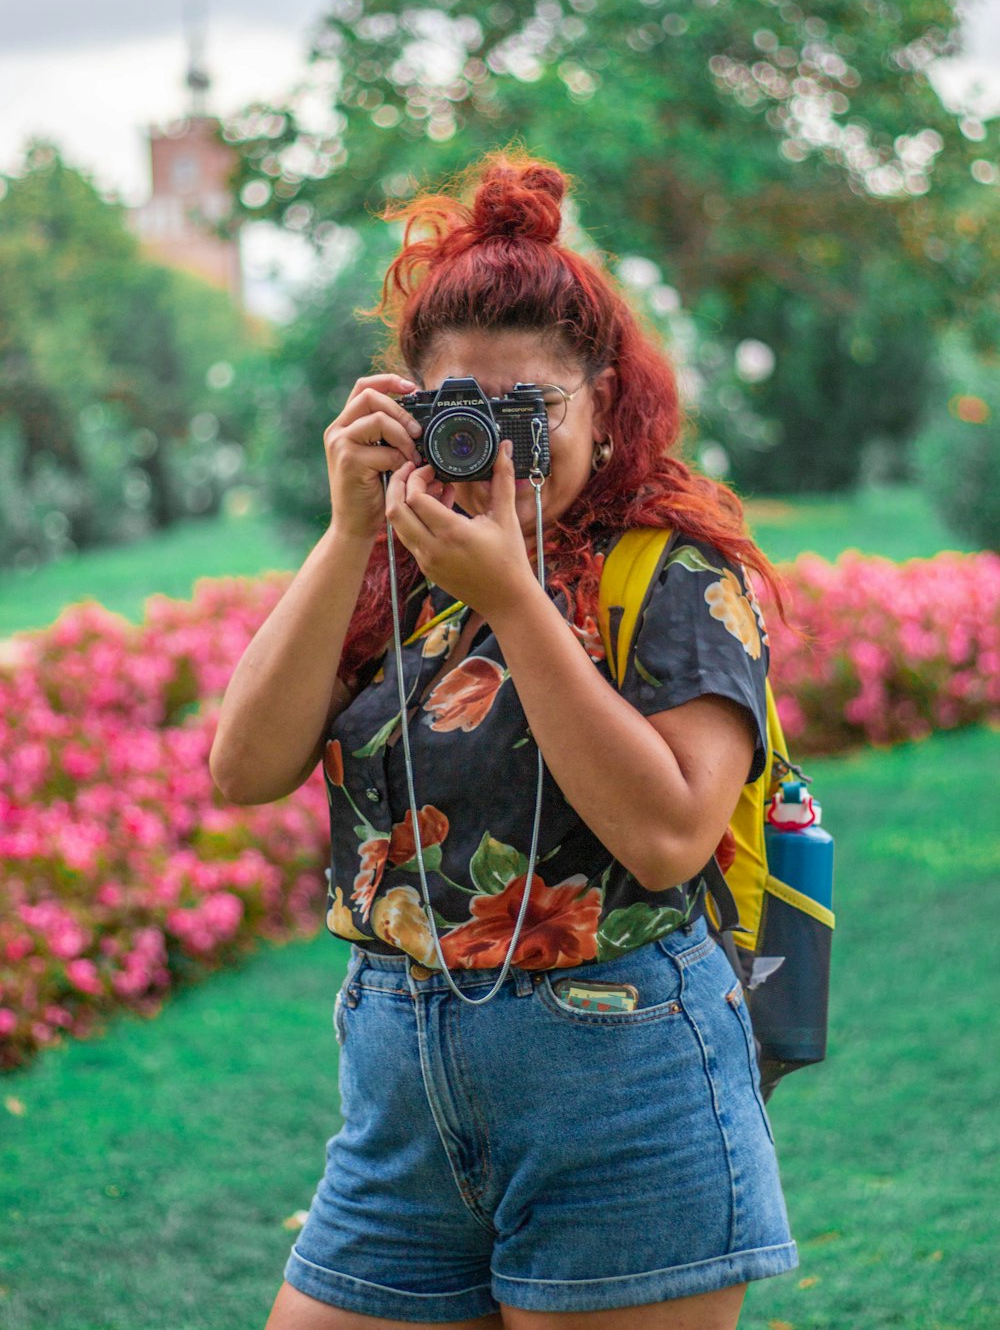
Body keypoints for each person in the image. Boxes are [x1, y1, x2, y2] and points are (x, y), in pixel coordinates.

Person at [210, 147, 801, 1330]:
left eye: (530, 410)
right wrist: (346, 536)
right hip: (398, 1090)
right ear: (412, 409)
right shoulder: (395, 574)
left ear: (604, 402)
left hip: (622, 1085)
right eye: (461, 410)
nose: (493, 440)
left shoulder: (677, 579)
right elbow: (243, 770)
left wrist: (516, 600)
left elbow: (671, 834)